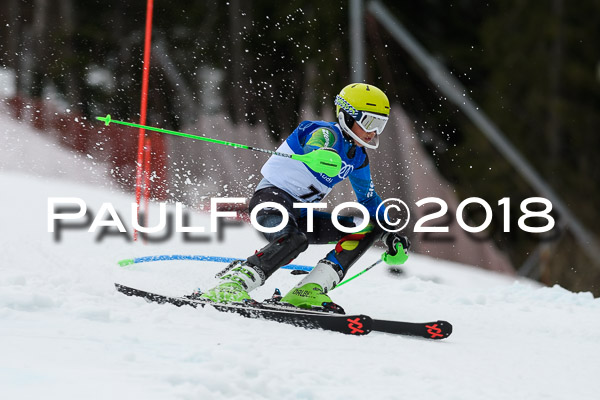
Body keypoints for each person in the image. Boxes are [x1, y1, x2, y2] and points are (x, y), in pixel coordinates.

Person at [197, 83, 410, 312]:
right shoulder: (327, 133)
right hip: (270, 203)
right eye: (369, 123)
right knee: (294, 241)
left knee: (367, 228)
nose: (373, 132)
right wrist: (318, 155)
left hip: (299, 213)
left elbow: (368, 200)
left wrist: (390, 235)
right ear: (347, 117)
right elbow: (315, 142)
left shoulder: (358, 156)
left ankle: (308, 290)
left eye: (380, 125)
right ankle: (231, 285)